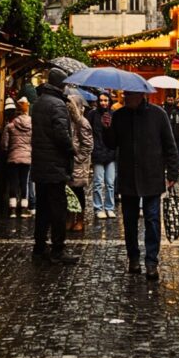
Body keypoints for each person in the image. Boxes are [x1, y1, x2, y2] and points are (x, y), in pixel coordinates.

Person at [101, 89, 179, 280]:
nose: (125, 98)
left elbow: (170, 144)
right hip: (128, 176)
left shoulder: (157, 114)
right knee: (129, 221)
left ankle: (151, 261)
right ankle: (133, 257)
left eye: (129, 95)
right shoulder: (118, 115)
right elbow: (112, 144)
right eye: (125, 95)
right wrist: (107, 128)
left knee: (152, 220)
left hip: (151, 175)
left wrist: (172, 172)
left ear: (140, 96)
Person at [29, 67, 77, 264]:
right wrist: (71, 149)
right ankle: (58, 249)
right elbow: (60, 134)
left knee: (42, 209)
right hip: (55, 165)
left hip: (40, 164)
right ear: (60, 85)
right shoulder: (57, 104)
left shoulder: (39, 102)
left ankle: (39, 248)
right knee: (58, 208)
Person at [66, 92, 94, 233]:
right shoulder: (69, 122)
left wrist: (77, 159)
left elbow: (88, 145)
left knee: (78, 191)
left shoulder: (82, 122)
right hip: (70, 163)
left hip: (78, 164)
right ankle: (71, 217)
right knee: (70, 192)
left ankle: (80, 219)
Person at [2, 98, 33, 218]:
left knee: (13, 182)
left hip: (13, 157)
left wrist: (8, 151)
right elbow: (34, 142)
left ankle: (13, 209)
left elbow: (4, 144)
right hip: (26, 158)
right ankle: (24, 209)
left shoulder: (10, 126)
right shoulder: (32, 125)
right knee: (24, 182)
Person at [89, 92, 117, 219]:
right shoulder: (92, 115)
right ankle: (98, 208)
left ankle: (110, 207)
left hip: (110, 153)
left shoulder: (114, 115)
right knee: (98, 182)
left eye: (106, 100)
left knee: (110, 183)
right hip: (98, 152)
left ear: (109, 102)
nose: (103, 103)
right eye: (101, 100)